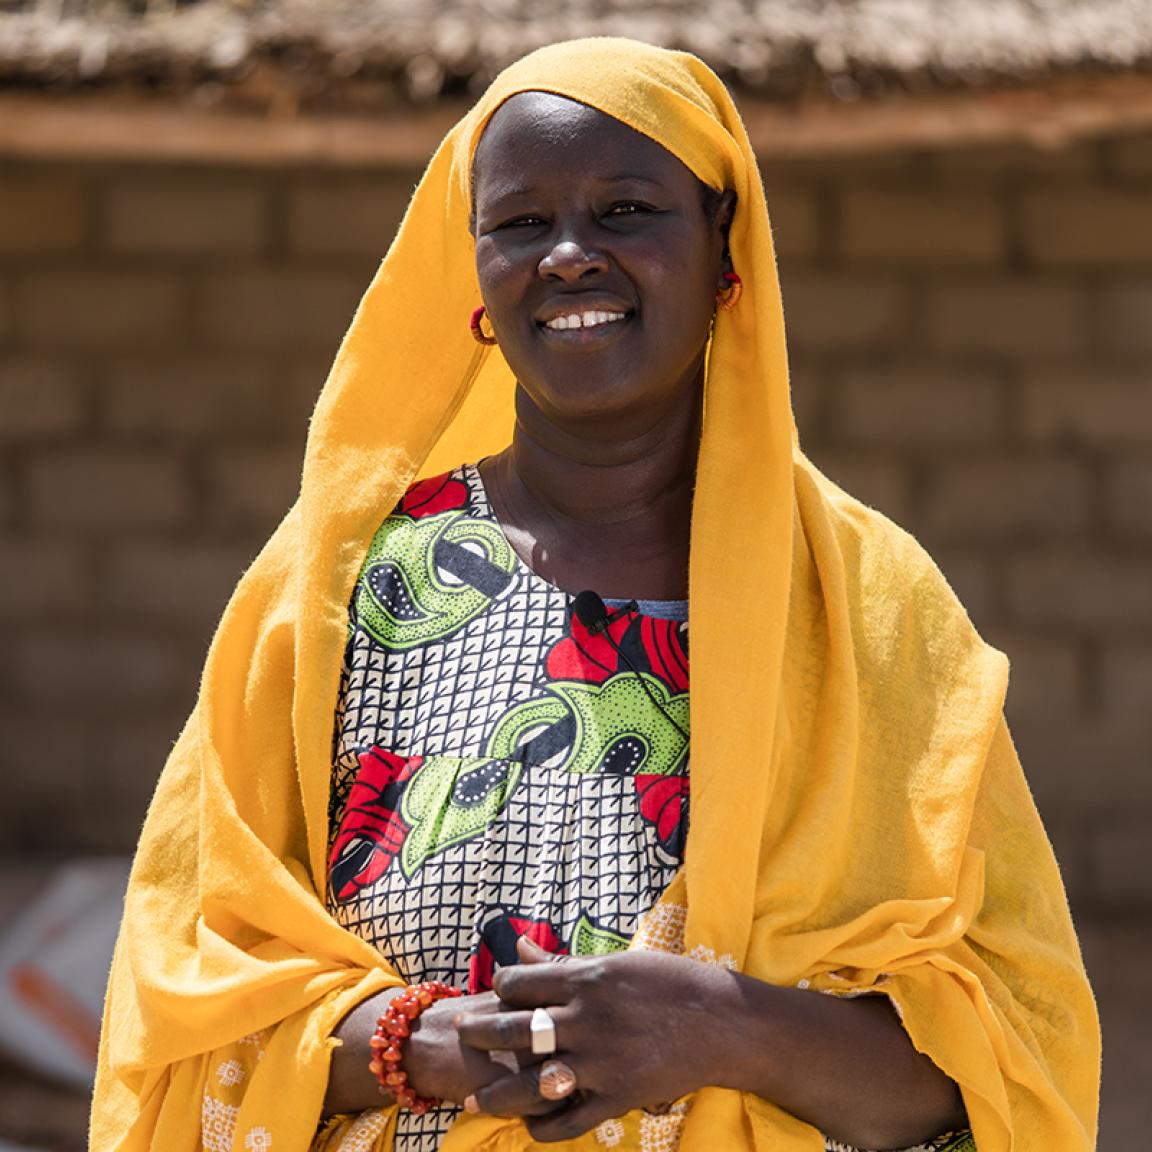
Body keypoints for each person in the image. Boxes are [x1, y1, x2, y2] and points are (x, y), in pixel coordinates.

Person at [90, 38, 1099, 1152]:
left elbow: (1007, 1057)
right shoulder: (340, 588)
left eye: (626, 211)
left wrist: (725, 1030)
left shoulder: (871, 608)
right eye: (521, 223)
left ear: (726, 254)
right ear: (472, 274)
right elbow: (186, 981)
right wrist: (424, 1044)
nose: (569, 255)